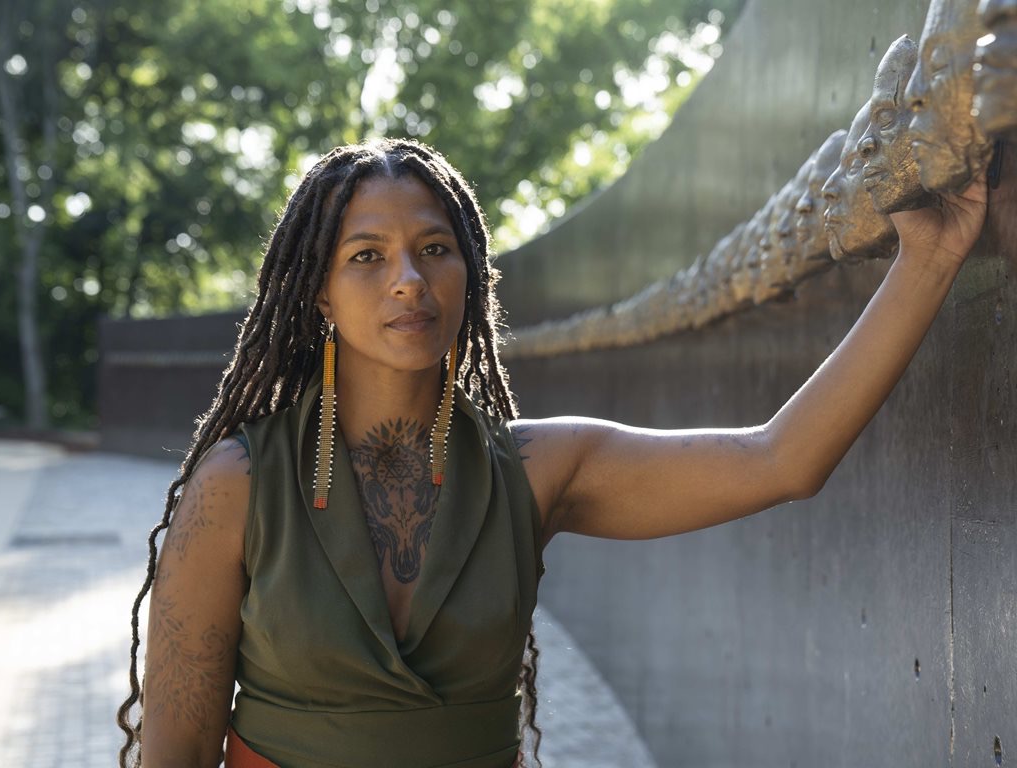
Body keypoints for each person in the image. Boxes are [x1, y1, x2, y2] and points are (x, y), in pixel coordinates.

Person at [117, 137, 987, 768]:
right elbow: (177, 755)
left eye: (433, 250)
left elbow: (781, 459)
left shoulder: (538, 472)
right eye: (367, 257)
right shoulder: (239, 485)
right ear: (318, 293)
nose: (409, 281)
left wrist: (930, 258)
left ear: (471, 274)